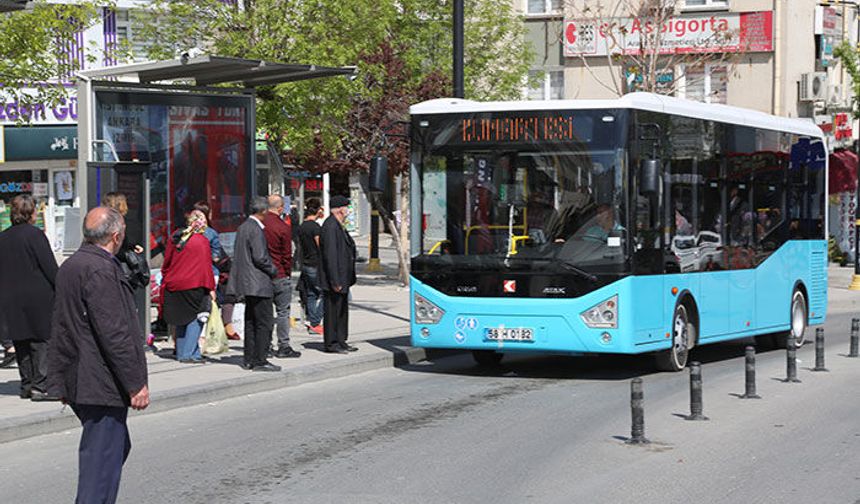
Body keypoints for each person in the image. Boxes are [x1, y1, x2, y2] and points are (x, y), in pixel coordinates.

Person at [47, 206, 149, 504]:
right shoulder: (101, 269)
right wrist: (135, 383)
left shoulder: (73, 265)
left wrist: (61, 379)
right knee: (101, 464)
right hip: (100, 380)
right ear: (116, 236)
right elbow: (114, 333)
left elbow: (62, 324)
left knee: (113, 450)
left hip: (82, 376)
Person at [0, 195, 59, 401]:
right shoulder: (35, 235)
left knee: (21, 340)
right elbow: (49, 267)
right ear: (31, 213)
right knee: (42, 340)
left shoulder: (3, 237)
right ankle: (40, 385)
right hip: (38, 296)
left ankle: (26, 383)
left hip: (11, 296)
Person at [230, 197, 281, 371]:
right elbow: (260, 257)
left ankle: (249, 358)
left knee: (251, 322)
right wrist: (273, 269)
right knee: (264, 322)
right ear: (264, 211)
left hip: (247, 282)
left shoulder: (243, 227)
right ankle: (260, 359)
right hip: (258, 283)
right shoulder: (256, 229)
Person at [161, 210, 215, 364]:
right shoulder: (202, 241)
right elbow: (206, 266)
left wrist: (167, 277)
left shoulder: (176, 238)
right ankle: (188, 353)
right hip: (195, 283)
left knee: (181, 318)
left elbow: (167, 262)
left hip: (175, 282)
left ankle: (185, 351)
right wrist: (211, 288)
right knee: (196, 318)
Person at [102, 192, 154, 350]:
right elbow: (130, 243)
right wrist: (133, 247)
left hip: (109, 267)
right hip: (126, 271)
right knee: (127, 306)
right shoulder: (127, 221)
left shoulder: (104, 222)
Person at [263, 194, 301, 358]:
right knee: (283, 312)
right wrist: (287, 271)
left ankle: (266, 344)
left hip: (263, 275)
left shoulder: (260, 224)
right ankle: (283, 345)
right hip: (279, 273)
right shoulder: (282, 226)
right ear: (280, 208)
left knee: (265, 312)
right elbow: (286, 254)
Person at [319, 195, 357, 354]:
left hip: (343, 276)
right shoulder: (330, 226)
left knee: (341, 311)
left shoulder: (339, 225)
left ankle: (341, 340)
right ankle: (332, 343)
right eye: (347, 207)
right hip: (334, 279)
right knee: (333, 311)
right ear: (340, 209)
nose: (348, 210)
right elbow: (330, 255)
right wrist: (335, 279)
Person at [297, 198, 325, 334]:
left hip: (306, 263)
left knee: (311, 294)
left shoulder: (302, 226)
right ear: (318, 210)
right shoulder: (315, 227)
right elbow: (320, 245)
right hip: (316, 264)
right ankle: (315, 321)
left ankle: (312, 321)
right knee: (326, 293)